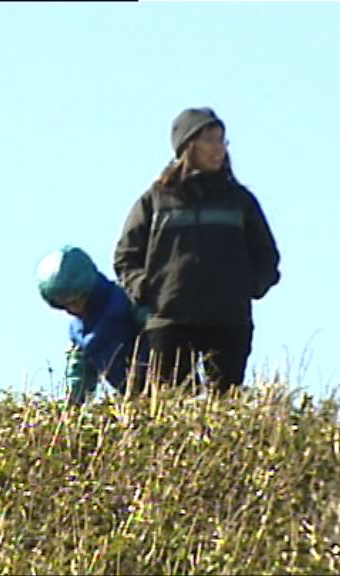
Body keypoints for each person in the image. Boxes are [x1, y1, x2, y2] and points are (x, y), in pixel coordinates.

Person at [114, 107, 280, 395]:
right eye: (210, 140)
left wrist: (249, 287)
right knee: (171, 404)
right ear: (188, 145)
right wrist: (148, 289)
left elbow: (267, 256)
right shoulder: (155, 200)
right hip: (170, 321)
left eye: (222, 140)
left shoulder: (240, 201)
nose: (219, 149)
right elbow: (126, 256)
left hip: (228, 321)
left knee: (225, 406)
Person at [36, 246, 148, 405]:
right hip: (131, 395)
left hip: (158, 380)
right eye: (65, 305)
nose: (73, 309)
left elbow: (158, 331)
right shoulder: (78, 331)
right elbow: (79, 371)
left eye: (76, 300)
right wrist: (72, 405)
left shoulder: (125, 300)